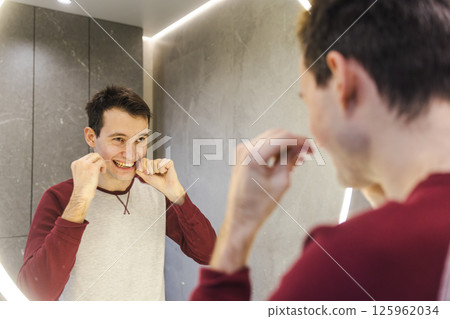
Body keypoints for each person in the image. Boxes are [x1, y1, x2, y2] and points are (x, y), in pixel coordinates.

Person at [190, 0, 450, 301]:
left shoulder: (351, 262)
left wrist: (238, 226)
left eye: (308, 100)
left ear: (342, 81)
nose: (315, 133)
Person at [17, 85, 216, 301]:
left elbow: (208, 254)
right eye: (119, 139)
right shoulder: (60, 197)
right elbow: (35, 295)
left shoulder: (155, 191)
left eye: (140, 140)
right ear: (91, 137)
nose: (132, 153)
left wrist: (178, 195)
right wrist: (80, 201)